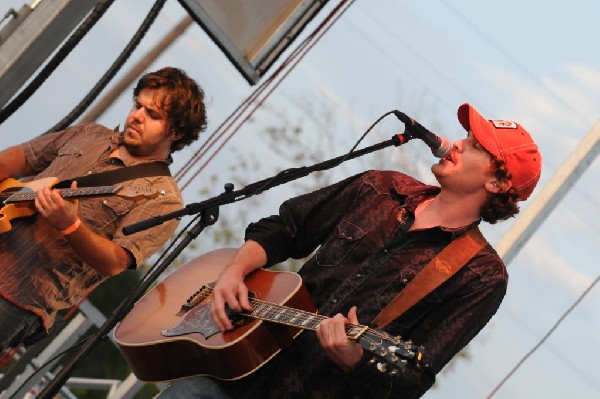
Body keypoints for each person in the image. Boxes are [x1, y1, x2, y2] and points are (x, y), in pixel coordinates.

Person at [158, 103, 542, 398]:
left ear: (497, 182)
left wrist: (356, 361)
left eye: (474, 146)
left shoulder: (481, 275)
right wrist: (233, 272)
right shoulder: (380, 187)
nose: (456, 143)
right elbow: (287, 227)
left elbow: (415, 377)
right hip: (232, 366)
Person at [0, 67, 207, 353]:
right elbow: (20, 158)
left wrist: (70, 225)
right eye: (138, 106)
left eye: (153, 115)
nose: (137, 116)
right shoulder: (90, 134)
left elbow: (115, 262)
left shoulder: (164, 198)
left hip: (20, 297)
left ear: (177, 131)